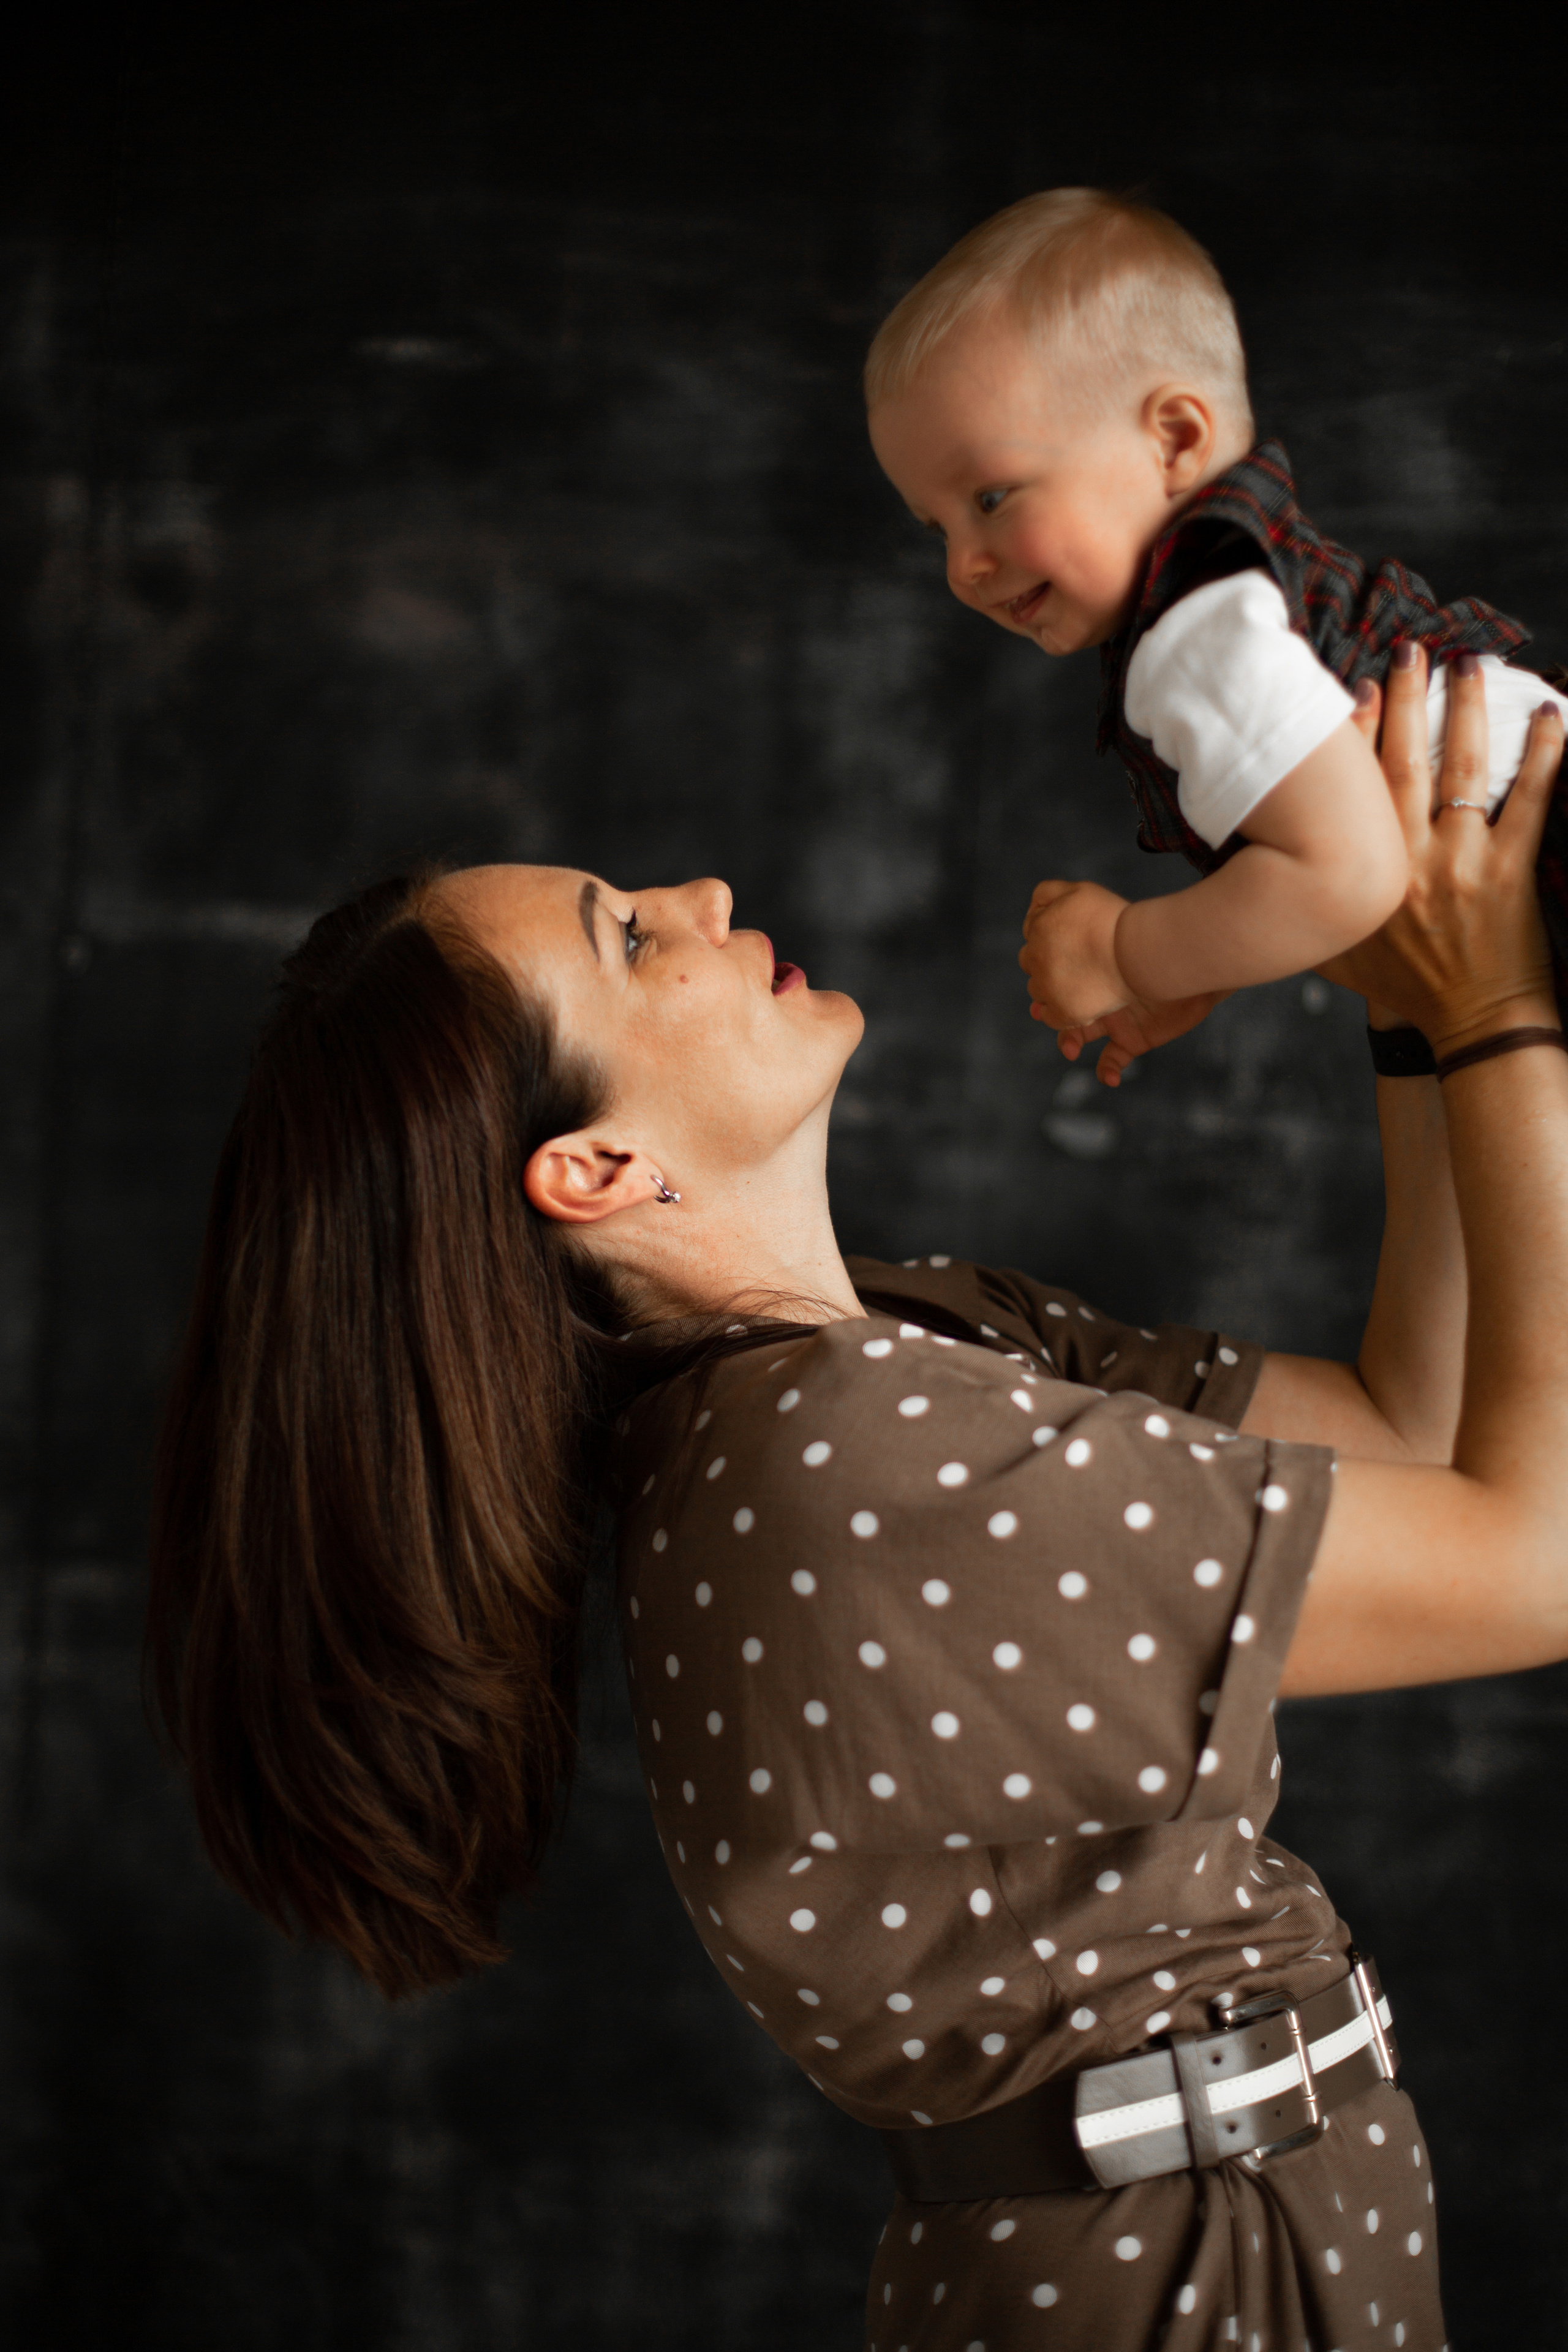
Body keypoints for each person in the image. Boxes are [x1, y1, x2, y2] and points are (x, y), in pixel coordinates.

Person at [148, 654, 1568, 2351]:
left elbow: (1416, 1427)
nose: (701, 894)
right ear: (599, 1170)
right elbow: (1538, 1557)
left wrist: (1411, 1003)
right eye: (630, 939)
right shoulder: (844, 1471)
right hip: (1170, 2291)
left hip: (1257, 2232)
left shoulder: (904, 1350)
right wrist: (1498, 1006)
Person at [865, 187, 1568, 1085]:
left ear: (1174, 441)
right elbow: (1327, 844)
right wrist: (1205, 967)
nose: (963, 566)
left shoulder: (1193, 635)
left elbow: (1352, 873)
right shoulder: (1242, 597)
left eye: (992, 498)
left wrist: (1128, 951)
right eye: (938, 529)